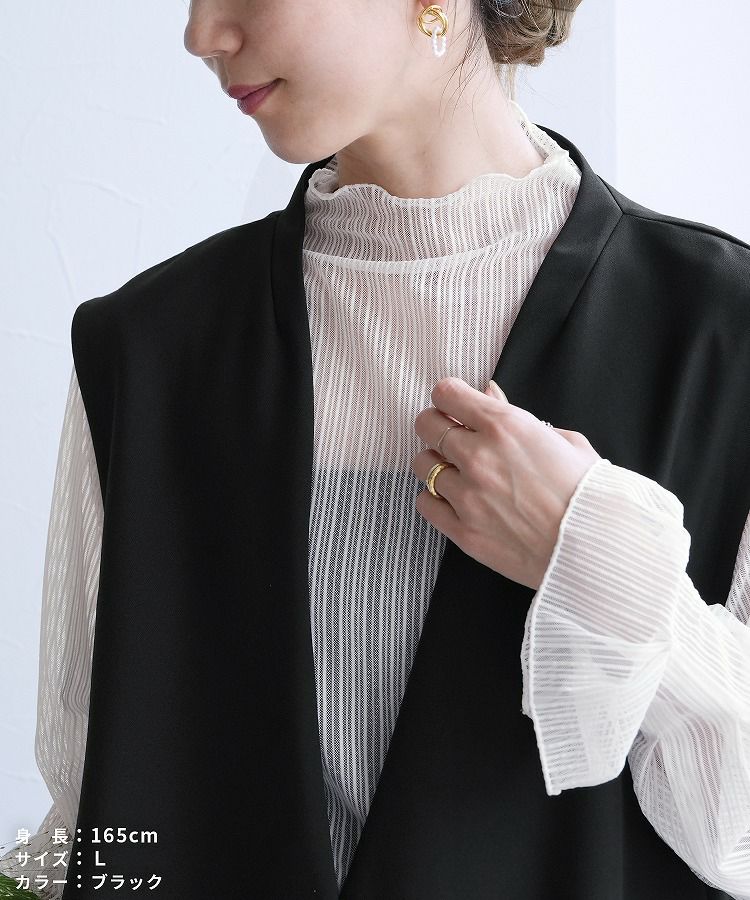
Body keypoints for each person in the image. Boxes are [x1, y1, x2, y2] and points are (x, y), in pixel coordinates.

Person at [2, 1, 750, 898]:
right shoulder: (148, 352)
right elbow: (91, 829)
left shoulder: (721, 340)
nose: (201, 35)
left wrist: (600, 559)